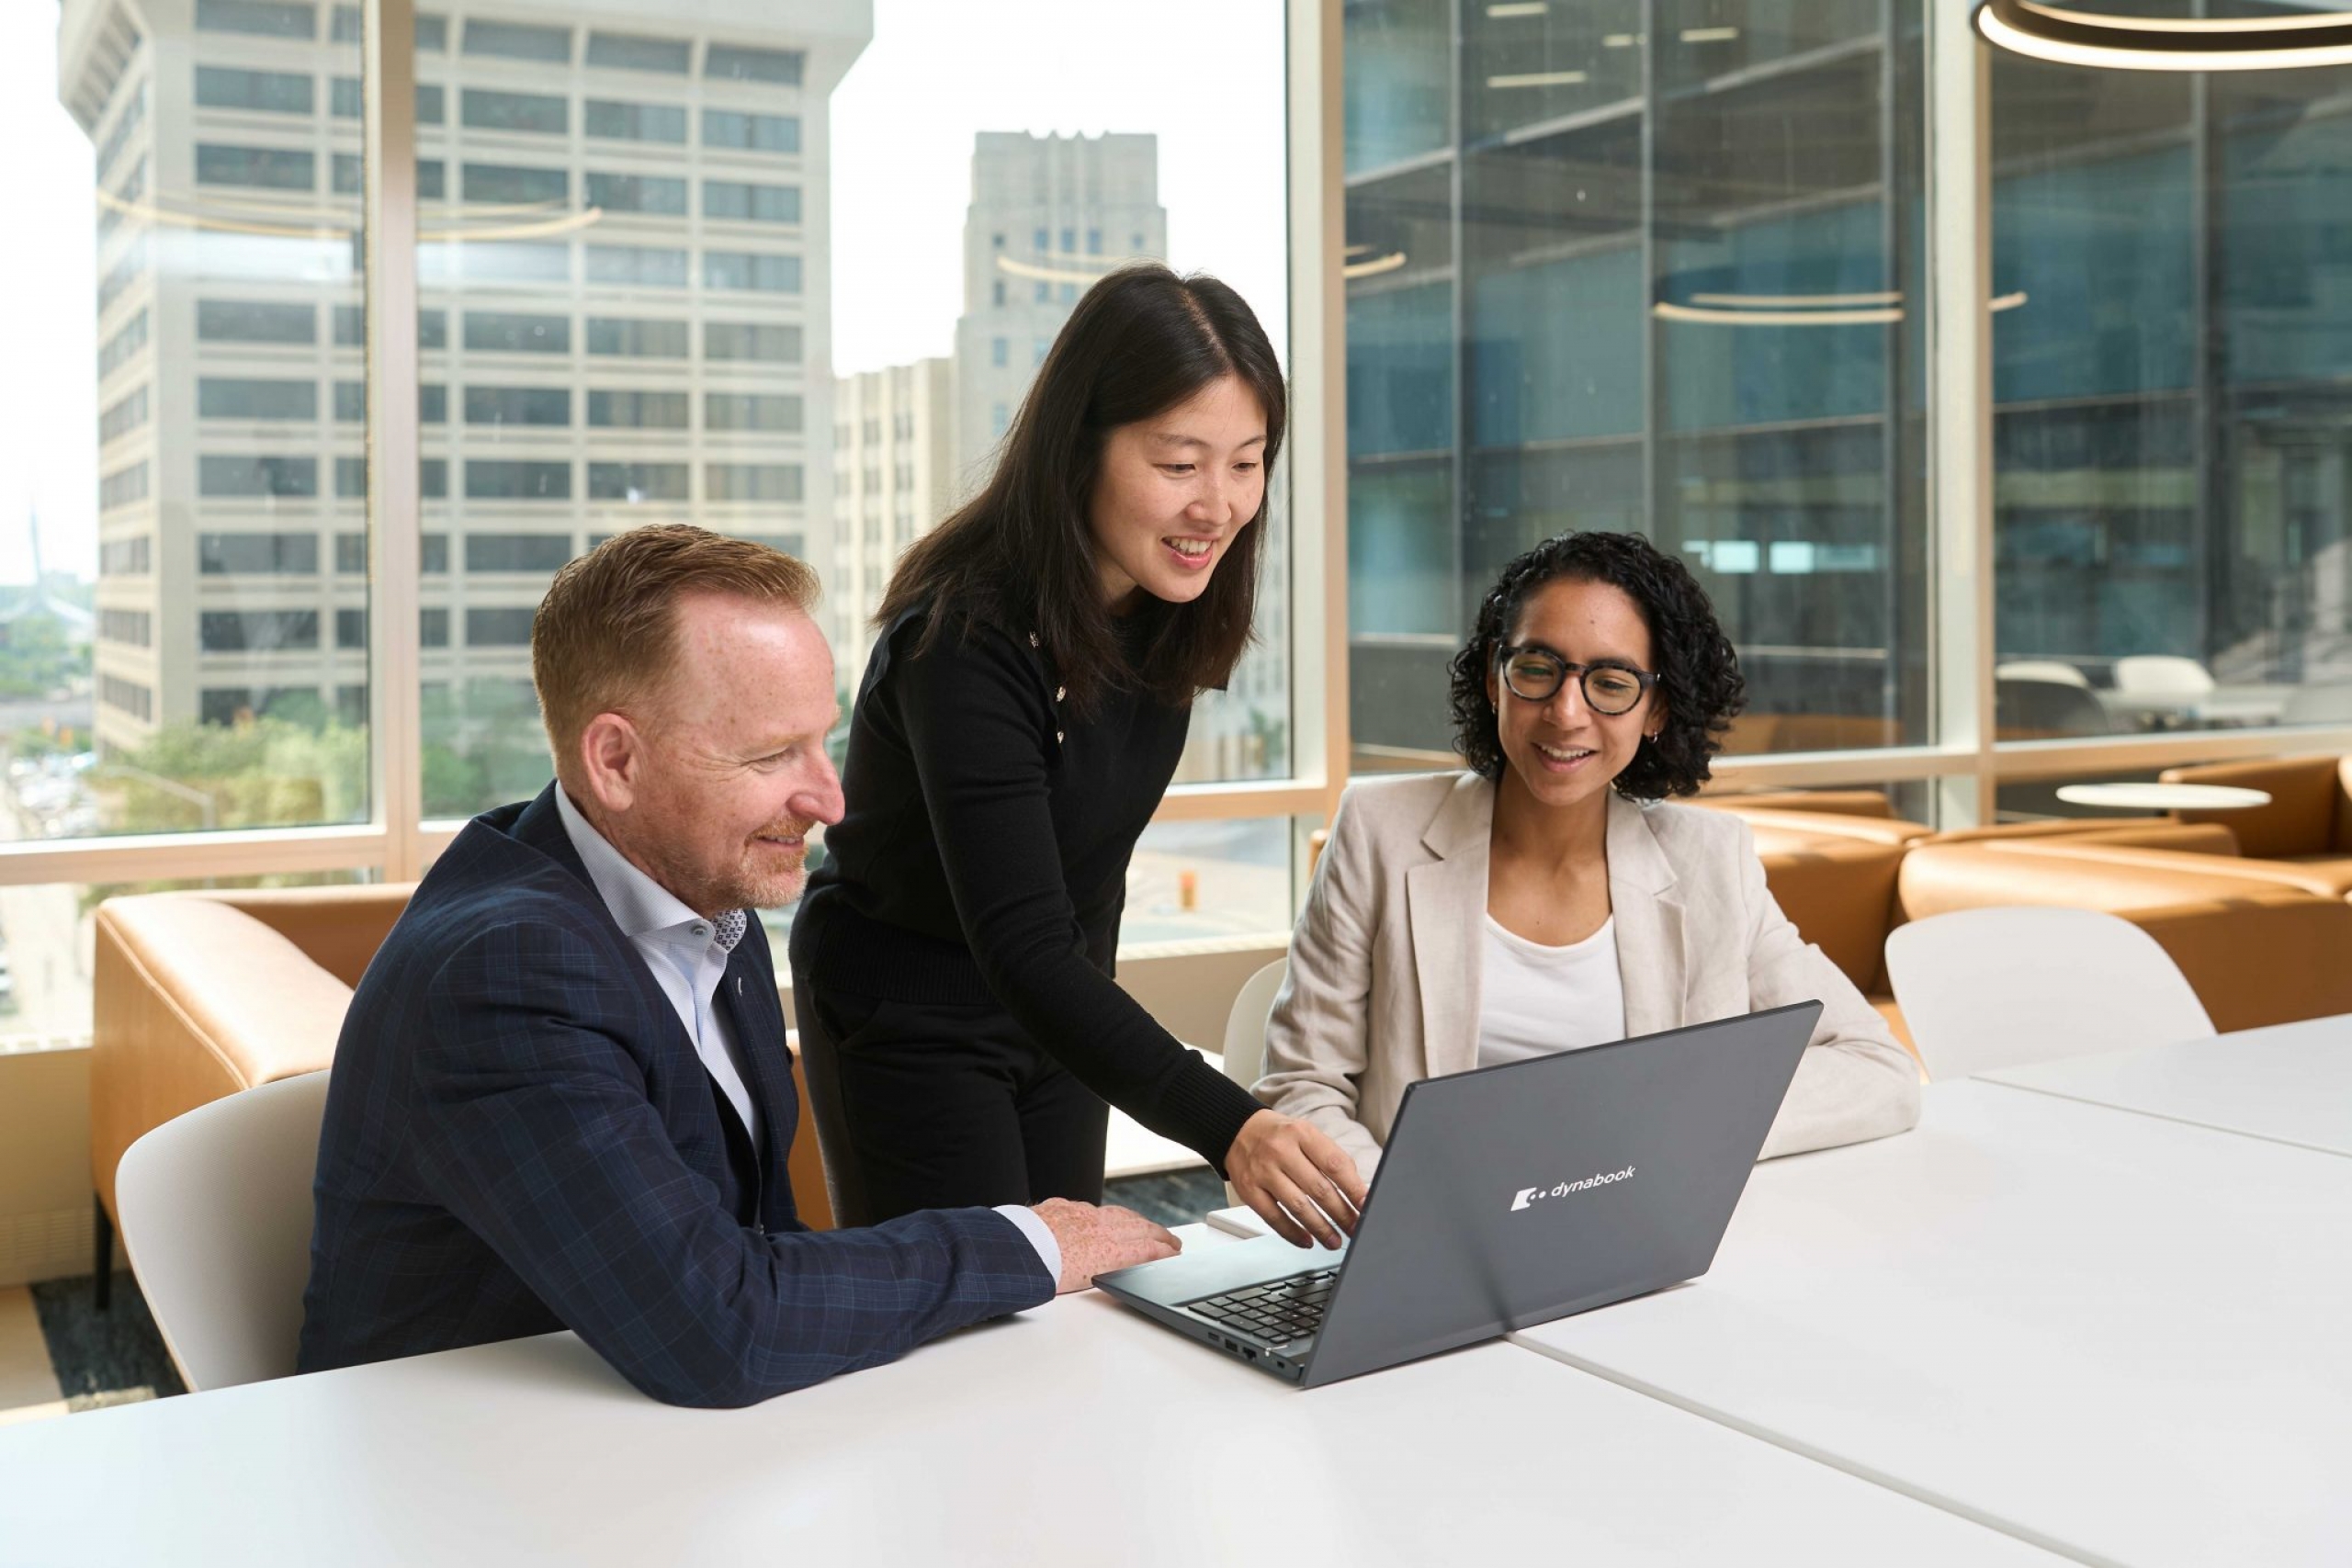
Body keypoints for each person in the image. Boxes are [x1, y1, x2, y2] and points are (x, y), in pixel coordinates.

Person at [299, 525, 1177, 1408]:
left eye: (820, 741)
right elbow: (718, 1323)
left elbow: (766, 1247)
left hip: (654, 1438)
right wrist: (1029, 1242)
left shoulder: (712, 899)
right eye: (769, 755)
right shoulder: (505, 974)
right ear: (615, 761)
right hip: (457, 1477)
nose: (828, 799)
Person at [790, 265, 1366, 1250]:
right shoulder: (964, 642)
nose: (1218, 506)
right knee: (974, 1321)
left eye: (1246, 462)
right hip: (909, 1014)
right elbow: (1018, 941)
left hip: (1057, 1006)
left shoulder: (1167, 613)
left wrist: (1093, 1039)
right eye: (1179, 464)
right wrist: (1231, 1126)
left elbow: (1080, 891)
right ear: (1078, 450)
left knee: (1071, 1295)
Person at [1255, 531, 1920, 1179]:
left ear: (1655, 708)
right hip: (1428, 1241)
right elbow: (1302, 1087)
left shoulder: (1712, 863)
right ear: (1495, 679)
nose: (1566, 712)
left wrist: (1682, 1130)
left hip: (1636, 1238)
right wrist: (1411, 1211)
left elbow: (1877, 1067)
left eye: (1611, 681)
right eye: (1539, 669)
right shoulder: (1379, 831)